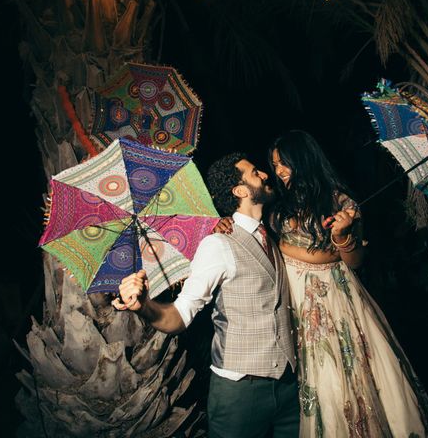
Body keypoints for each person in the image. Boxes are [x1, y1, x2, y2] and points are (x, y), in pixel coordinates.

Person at [217, 131, 428, 437]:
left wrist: (342, 236)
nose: (279, 171)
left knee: (343, 379)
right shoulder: (276, 204)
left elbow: (355, 261)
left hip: (335, 300)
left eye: (284, 163)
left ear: (304, 159)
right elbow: (256, 237)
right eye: (274, 165)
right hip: (293, 300)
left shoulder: (339, 201)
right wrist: (225, 221)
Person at [113, 152, 300, 438]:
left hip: (289, 387)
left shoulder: (270, 237)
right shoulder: (217, 245)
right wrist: (144, 307)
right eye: (254, 173)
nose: (263, 175)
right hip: (241, 393)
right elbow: (178, 316)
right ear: (240, 191)